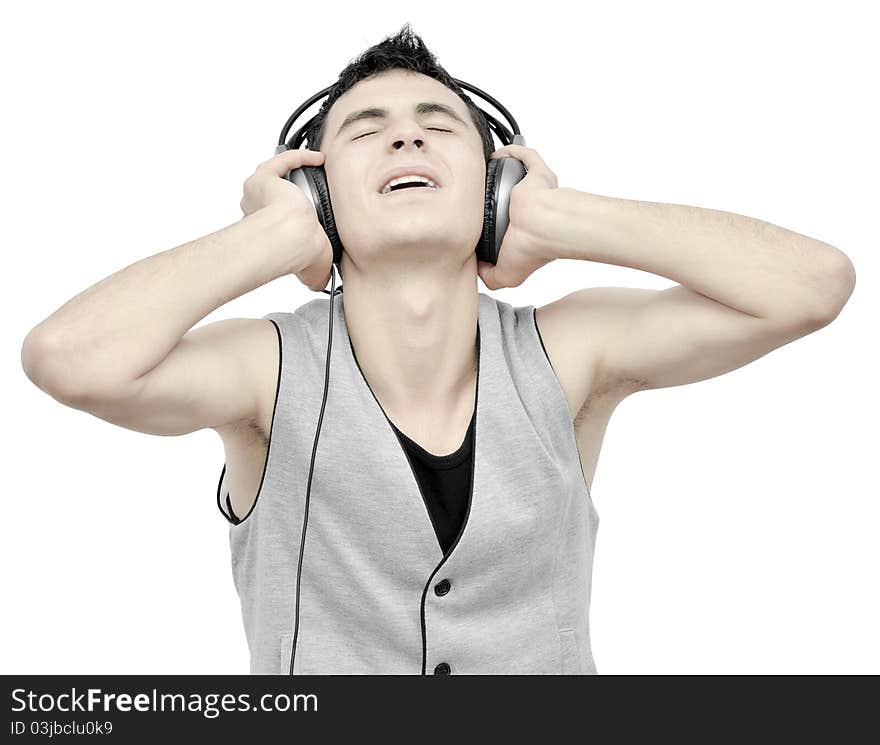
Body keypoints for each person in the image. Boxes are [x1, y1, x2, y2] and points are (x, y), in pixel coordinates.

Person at [20, 24, 856, 674]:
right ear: (317, 190)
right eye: (367, 129)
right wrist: (273, 236)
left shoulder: (571, 352)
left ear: (495, 187)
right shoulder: (264, 371)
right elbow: (69, 358)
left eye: (439, 126)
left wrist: (559, 219)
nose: (408, 140)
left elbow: (811, 287)